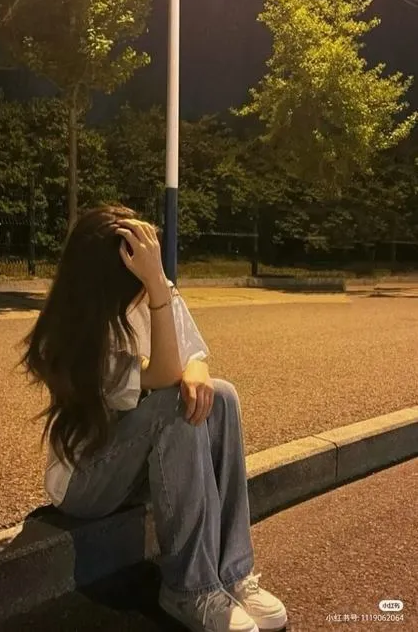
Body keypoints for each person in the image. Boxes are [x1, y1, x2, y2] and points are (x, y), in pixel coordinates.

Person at [22, 204, 288, 632]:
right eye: (142, 271)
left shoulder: (147, 290)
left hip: (135, 466)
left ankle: (233, 573)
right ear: (112, 280)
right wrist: (158, 291)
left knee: (221, 395)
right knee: (171, 405)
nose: (151, 280)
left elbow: (192, 355)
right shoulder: (79, 335)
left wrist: (197, 368)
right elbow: (165, 374)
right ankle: (189, 589)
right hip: (87, 483)